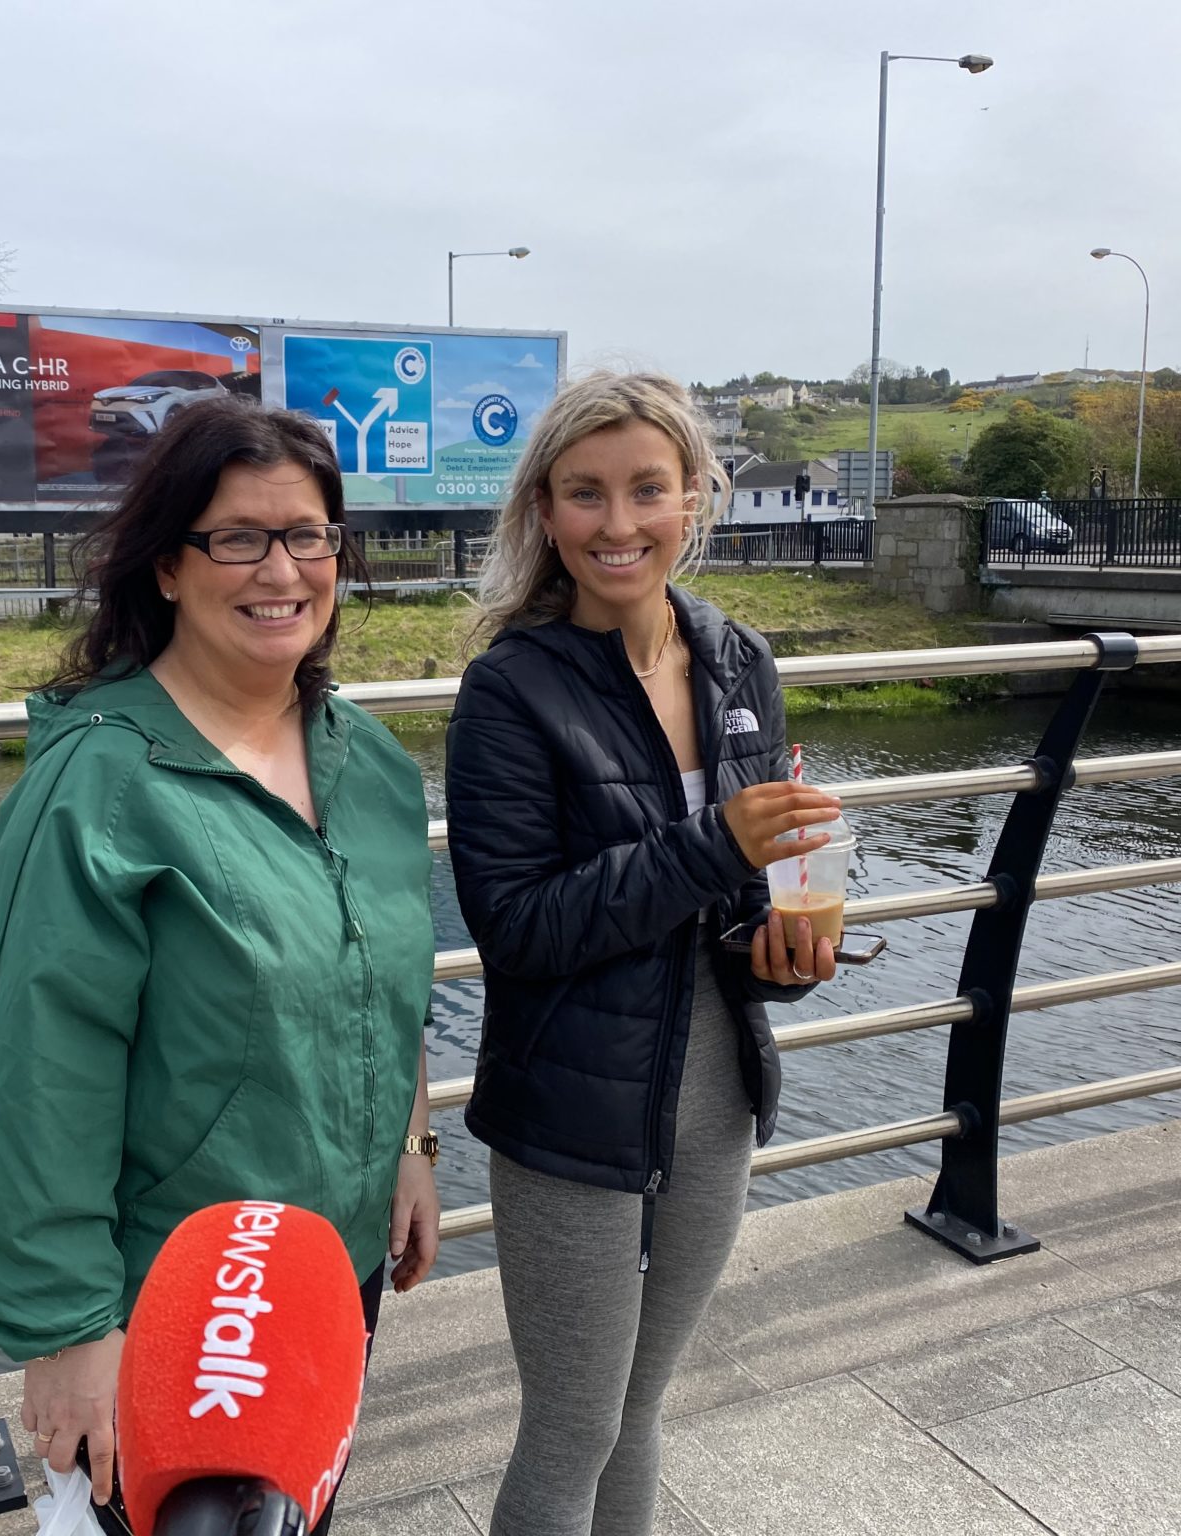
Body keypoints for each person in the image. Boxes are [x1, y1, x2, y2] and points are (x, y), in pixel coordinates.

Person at [0, 397, 441, 1533]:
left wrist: (410, 1150)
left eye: (307, 534)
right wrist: (71, 1334)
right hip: (178, 1298)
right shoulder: (100, 784)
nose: (280, 568)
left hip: (325, 1272)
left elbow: (387, 979)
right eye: (236, 536)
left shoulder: (362, 757)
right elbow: (42, 1071)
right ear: (167, 566)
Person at [446, 371, 841, 1536]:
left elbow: (746, 878)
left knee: (642, 1407)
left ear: (692, 500)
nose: (616, 525)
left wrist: (788, 940)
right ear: (542, 512)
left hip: (715, 1081)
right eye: (584, 494)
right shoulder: (509, 688)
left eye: (645, 491)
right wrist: (711, 841)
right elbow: (514, 927)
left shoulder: (736, 659)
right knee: (570, 1429)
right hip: (568, 1104)